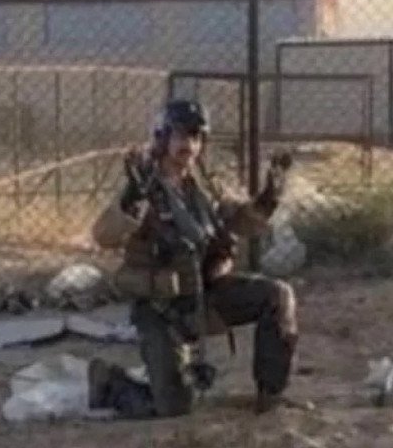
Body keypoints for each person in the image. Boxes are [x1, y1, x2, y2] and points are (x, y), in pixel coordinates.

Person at [89, 98, 298, 418]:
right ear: (162, 138)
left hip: (205, 294)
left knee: (277, 296)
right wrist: (132, 199)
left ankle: (270, 394)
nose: (189, 143)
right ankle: (109, 383)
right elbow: (104, 236)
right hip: (162, 308)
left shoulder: (204, 187)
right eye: (180, 134)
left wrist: (269, 198)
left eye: (196, 136)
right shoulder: (145, 186)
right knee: (173, 407)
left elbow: (240, 222)